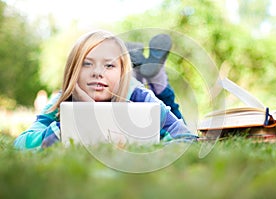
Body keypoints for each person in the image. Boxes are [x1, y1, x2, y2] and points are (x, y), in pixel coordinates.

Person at [14, 29, 196, 150]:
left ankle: (157, 78)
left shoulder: (137, 95)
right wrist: (81, 117)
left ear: (122, 73)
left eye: (109, 66)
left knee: (171, 109)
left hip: (132, 88)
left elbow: (185, 137)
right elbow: (20, 144)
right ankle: (147, 72)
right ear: (73, 71)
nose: (97, 73)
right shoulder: (62, 100)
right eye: (87, 64)